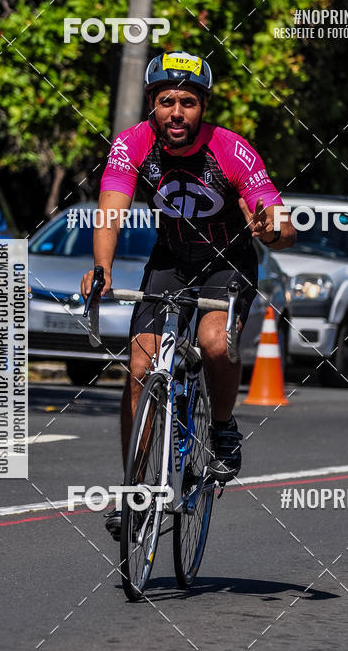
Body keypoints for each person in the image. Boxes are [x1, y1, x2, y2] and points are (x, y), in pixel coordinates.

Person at [81, 50, 295, 537]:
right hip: (171, 260)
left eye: (188, 103)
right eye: (167, 102)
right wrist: (102, 268)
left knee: (215, 341)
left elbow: (281, 224)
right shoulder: (132, 144)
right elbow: (111, 209)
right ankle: (135, 491)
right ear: (152, 104)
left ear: (203, 107)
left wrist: (272, 228)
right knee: (140, 366)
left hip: (227, 262)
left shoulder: (232, 150)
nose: (176, 113)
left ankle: (221, 427)